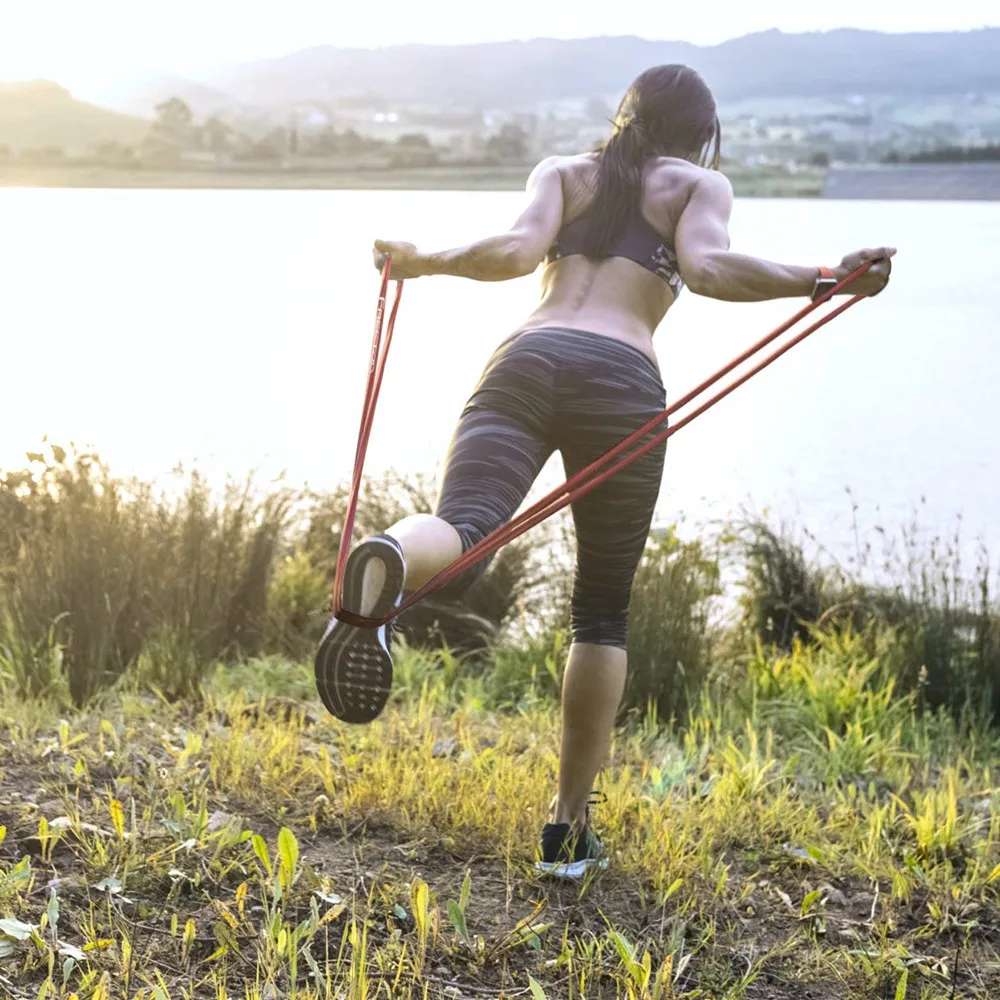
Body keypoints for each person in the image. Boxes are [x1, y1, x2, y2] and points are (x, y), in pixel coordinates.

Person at [315, 64, 894, 880]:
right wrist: (824, 279)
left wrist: (421, 260)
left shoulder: (562, 172)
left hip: (525, 358)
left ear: (625, 117)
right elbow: (711, 271)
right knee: (600, 611)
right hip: (620, 381)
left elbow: (515, 252)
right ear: (700, 133)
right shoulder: (697, 186)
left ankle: (393, 557)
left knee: (466, 524)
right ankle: (566, 829)